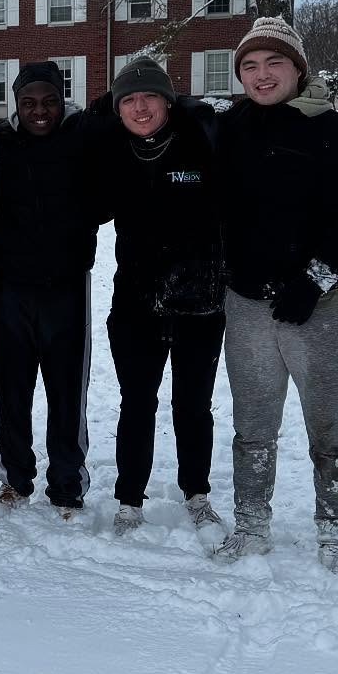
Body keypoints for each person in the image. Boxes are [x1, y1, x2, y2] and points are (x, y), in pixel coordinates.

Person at [212, 18, 338, 572]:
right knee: (253, 423)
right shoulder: (230, 129)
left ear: (298, 68)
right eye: (250, 66)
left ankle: (336, 533)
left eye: (273, 63)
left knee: (330, 422)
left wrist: (315, 279)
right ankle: (251, 524)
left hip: (321, 305)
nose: (261, 75)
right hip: (247, 304)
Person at [91, 58, 225, 536]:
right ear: (117, 108)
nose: (140, 107)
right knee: (137, 402)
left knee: (193, 404)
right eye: (128, 99)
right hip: (136, 301)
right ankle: (130, 498)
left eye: (149, 97)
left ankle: (197, 492)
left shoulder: (203, 139)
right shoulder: (110, 147)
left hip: (199, 298)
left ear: (167, 102)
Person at [0, 61, 100, 517]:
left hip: (67, 287)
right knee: (11, 390)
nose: (39, 111)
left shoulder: (83, 137)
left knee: (67, 391)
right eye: (29, 102)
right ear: (16, 103)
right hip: (12, 287)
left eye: (49, 101)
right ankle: (14, 479)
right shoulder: (0, 142)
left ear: (62, 100)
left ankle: (67, 485)